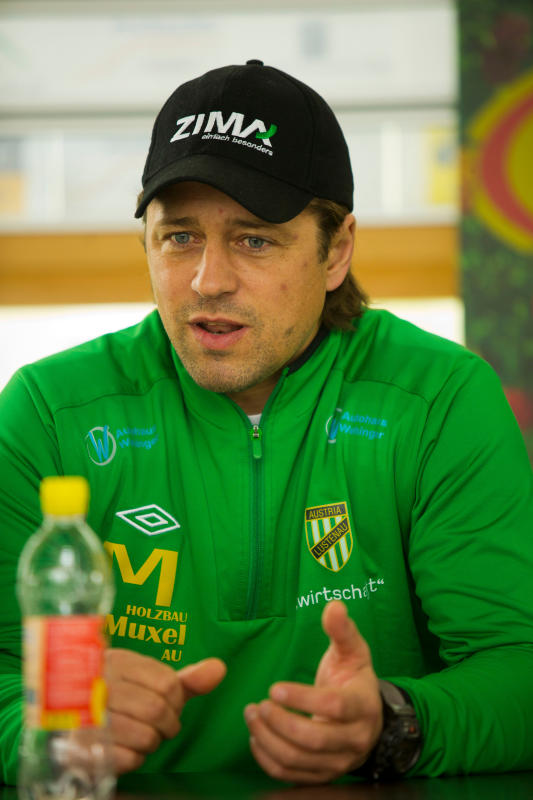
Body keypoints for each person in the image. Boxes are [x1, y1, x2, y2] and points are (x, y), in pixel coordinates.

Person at [0, 59, 532, 787]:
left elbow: (517, 668)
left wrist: (391, 722)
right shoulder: (49, 409)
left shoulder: (438, 397)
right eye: (179, 237)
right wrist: (47, 722)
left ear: (335, 251)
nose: (207, 280)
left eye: (254, 239)